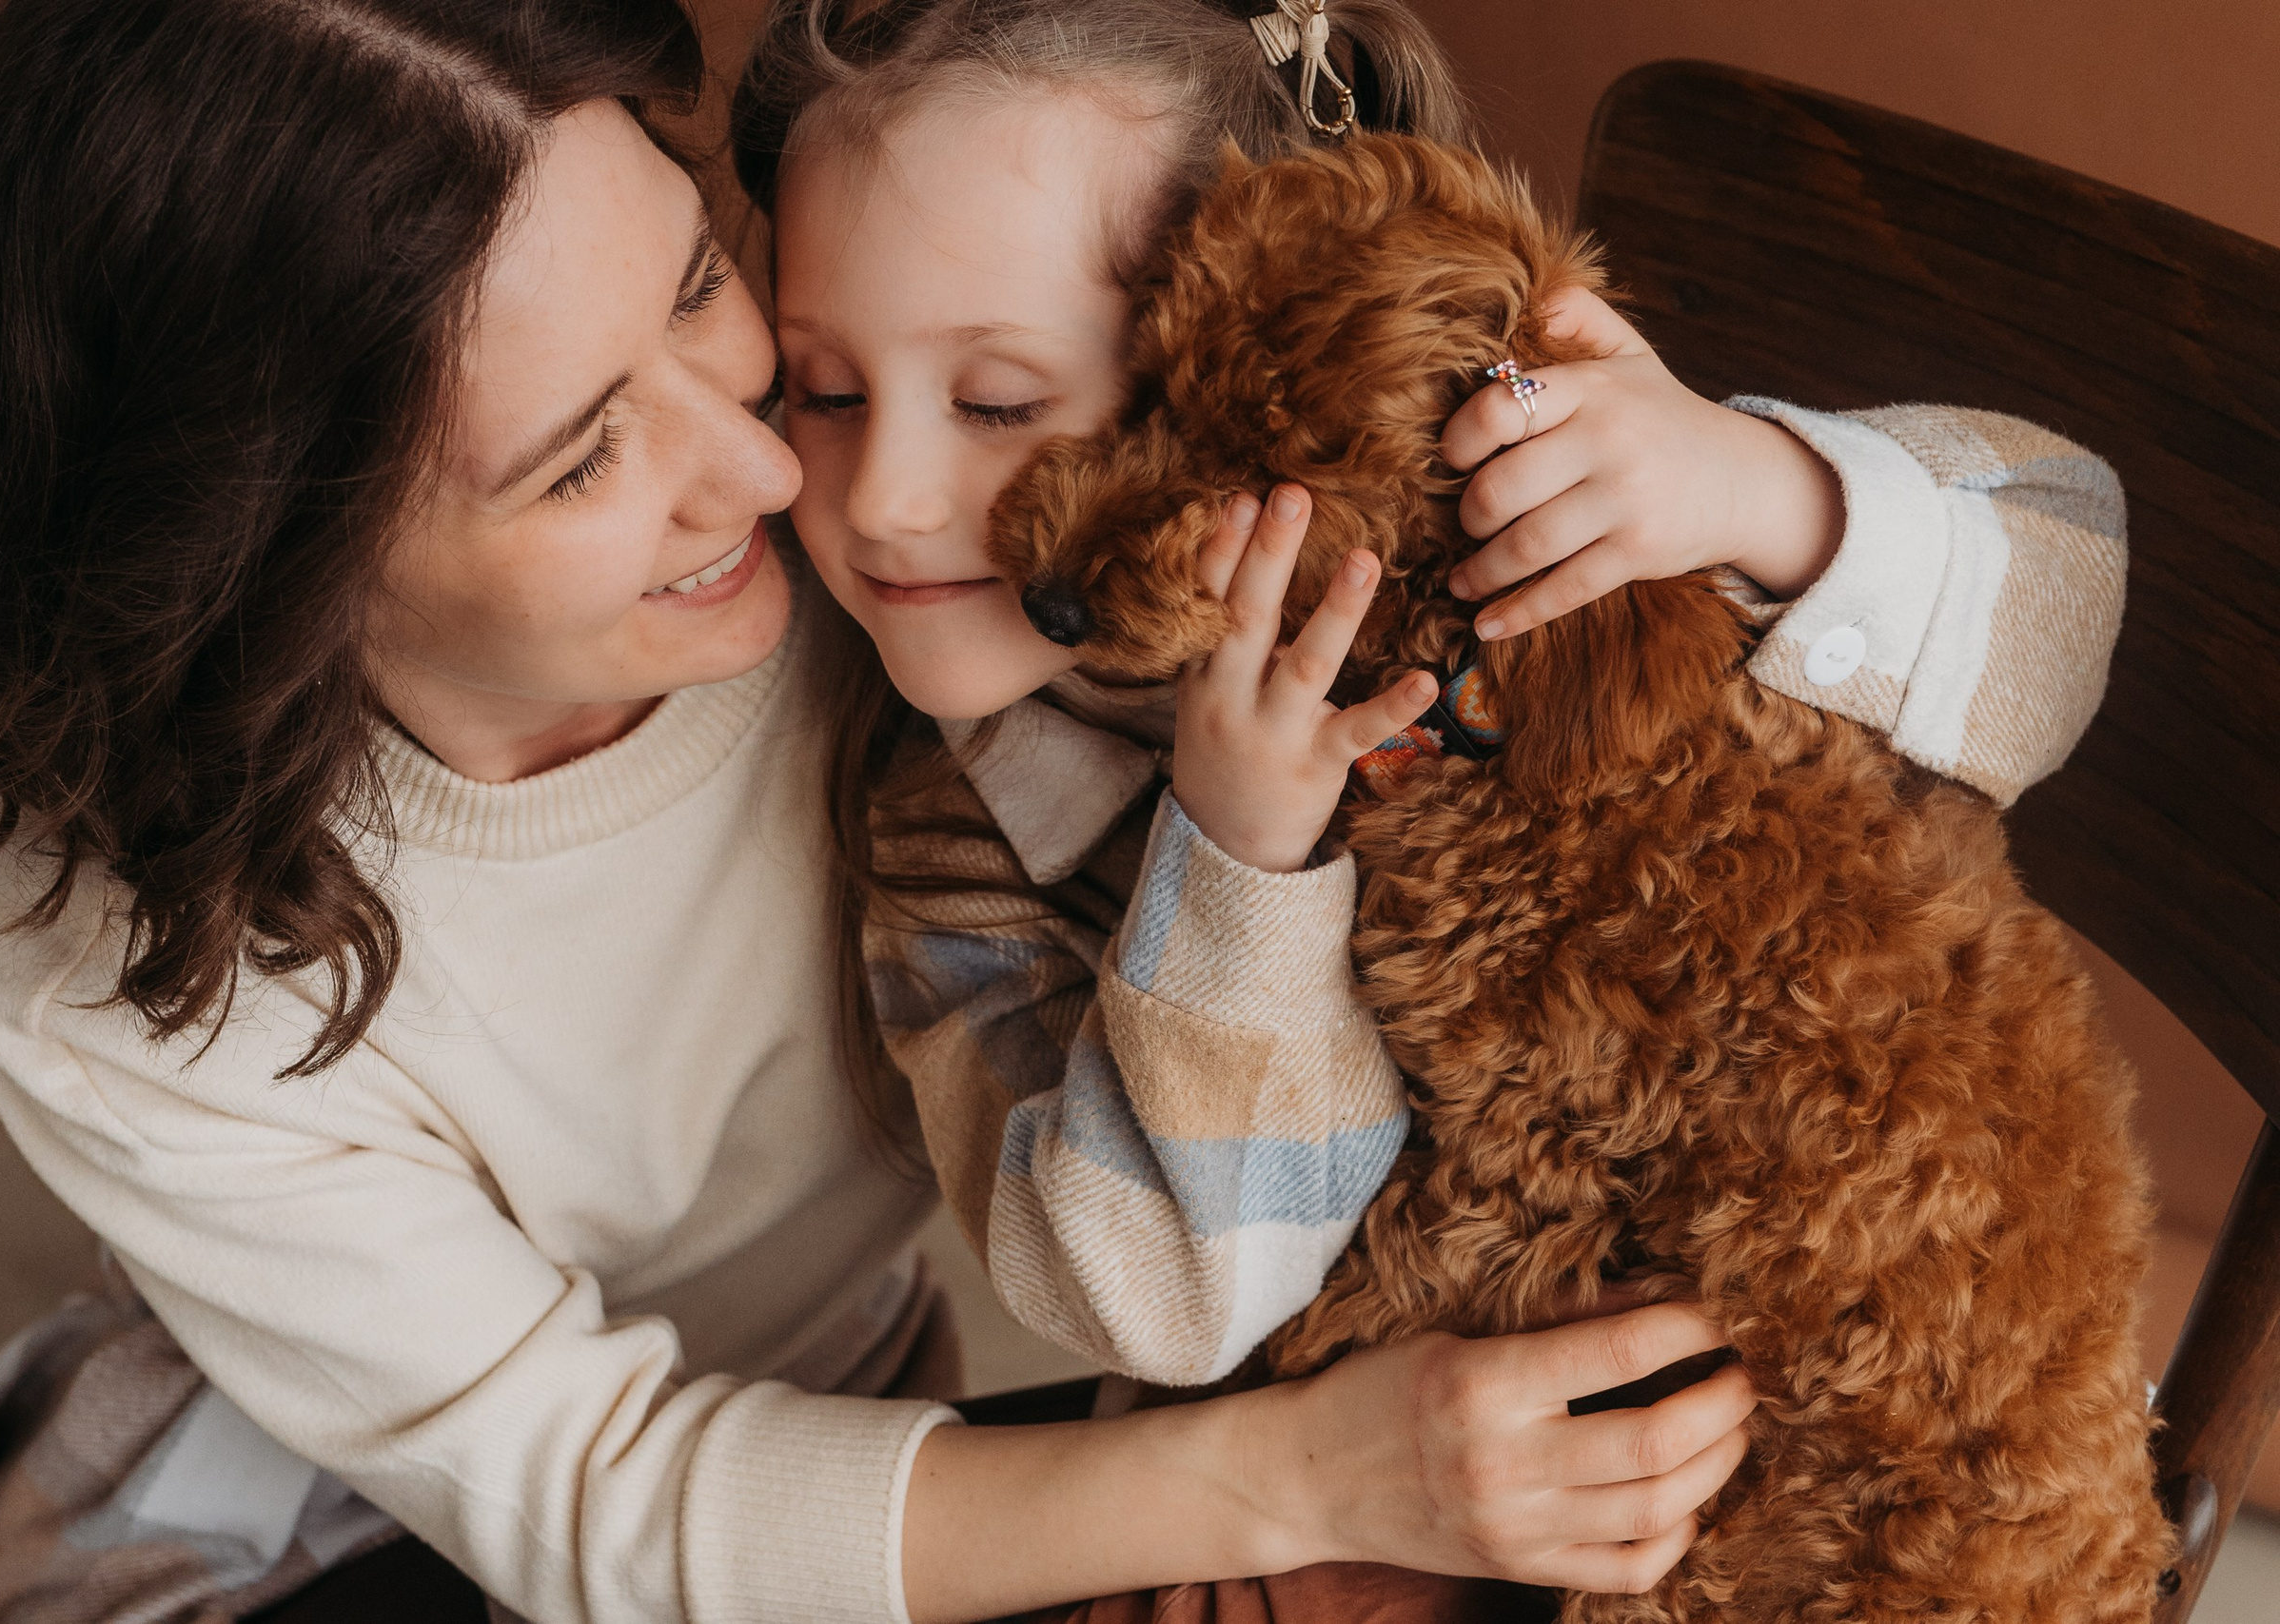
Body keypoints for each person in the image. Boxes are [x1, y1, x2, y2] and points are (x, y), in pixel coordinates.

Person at [0, 3, 1784, 1621]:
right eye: (578, 455)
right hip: (309, 1513)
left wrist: (1753, 489)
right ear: (277, 574)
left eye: (699, 282)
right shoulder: (76, 939)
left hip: (834, 1419)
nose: (781, 460)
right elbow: (600, 1489)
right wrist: (1297, 1474)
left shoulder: (927, 535)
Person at [732, 0, 2131, 1605]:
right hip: (1344, 1520)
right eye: (824, 389)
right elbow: (1154, 1302)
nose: (886, 497)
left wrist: (1758, 490)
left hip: (1855, 1407)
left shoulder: (1534, 513)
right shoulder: (960, 841)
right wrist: (1240, 865)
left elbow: (2067, 581)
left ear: (1242, 353)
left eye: (997, 403)